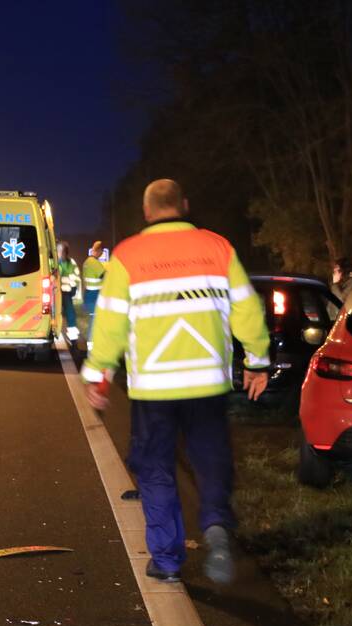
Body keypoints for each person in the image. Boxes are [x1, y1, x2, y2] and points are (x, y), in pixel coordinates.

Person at [82, 179, 270, 585]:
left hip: (154, 388)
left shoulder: (128, 255)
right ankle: (217, 524)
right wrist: (258, 361)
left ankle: (167, 560)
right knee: (211, 459)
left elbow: (111, 322)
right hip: (207, 385)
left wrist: (98, 373)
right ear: (183, 205)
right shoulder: (217, 247)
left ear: (147, 212)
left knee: (156, 470)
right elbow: (247, 309)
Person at [82, 240, 107, 344]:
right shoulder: (95, 263)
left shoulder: (86, 262)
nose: (101, 254)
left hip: (88, 295)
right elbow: (105, 276)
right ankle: (92, 343)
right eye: (101, 252)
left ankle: (91, 342)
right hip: (95, 295)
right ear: (98, 250)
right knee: (94, 320)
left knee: (92, 319)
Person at [58, 241, 81, 342]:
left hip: (66, 292)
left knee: (70, 312)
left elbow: (76, 277)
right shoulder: (53, 262)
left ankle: (73, 337)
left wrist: (70, 286)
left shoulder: (71, 263)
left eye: (60, 250)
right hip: (55, 293)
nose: (59, 252)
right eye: (58, 250)